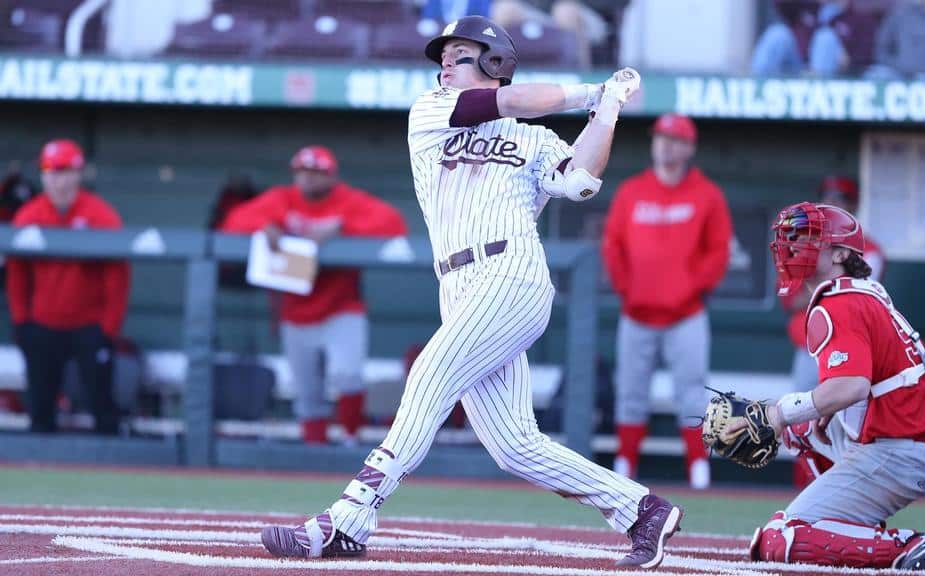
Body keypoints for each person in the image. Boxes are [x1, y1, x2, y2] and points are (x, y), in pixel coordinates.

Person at [260, 15, 683, 570]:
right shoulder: (430, 112)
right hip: (457, 285)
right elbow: (506, 105)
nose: (444, 65)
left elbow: (581, 181)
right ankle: (641, 510)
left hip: (511, 274)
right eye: (444, 57)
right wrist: (589, 90)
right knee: (514, 445)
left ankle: (349, 518)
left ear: (494, 63)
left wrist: (606, 110)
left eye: (458, 56)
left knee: (430, 377)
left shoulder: (533, 138)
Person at [745, 202, 925, 570]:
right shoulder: (860, 291)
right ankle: (853, 525)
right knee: (802, 431)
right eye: (793, 239)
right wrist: (799, 420)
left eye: (810, 239)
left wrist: (779, 412)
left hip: (902, 448)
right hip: (905, 437)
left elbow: (851, 387)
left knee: (781, 539)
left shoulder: (841, 300)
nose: (794, 247)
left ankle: (906, 546)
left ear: (842, 253)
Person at [222, 146, 407, 445]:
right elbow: (233, 223)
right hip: (295, 310)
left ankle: (350, 440)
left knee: (348, 376)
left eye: (315, 172)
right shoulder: (283, 199)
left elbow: (394, 224)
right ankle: (314, 455)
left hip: (341, 306)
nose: (306, 178)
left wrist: (343, 227)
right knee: (307, 392)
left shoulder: (346, 201)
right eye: (301, 171)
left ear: (331, 176)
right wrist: (264, 226)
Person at [601, 113, 732, 489]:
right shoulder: (631, 191)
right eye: (661, 138)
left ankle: (698, 470)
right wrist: (629, 288)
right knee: (630, 392)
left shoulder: (706, 194)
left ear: (689, 148)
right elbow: (613, 246)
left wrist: (688, 287)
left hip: (686, 313)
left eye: (675, 140)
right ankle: (625, 465)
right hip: (637, 313)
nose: (665, 145)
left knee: (691, 392)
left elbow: (718, 252)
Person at [6, 139, 130, 435]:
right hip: (43, 324)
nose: (57, 179)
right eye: (49, 171)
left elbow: (118, 278)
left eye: (63, 171)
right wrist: (22, 321)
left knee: (101, 404)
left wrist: (109, 328)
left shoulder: (101, 215)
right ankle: (37, 468)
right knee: (40, 407)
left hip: (90, 326)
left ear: (78, 173)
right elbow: (17, 275)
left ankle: (110, 469)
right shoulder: (29, 216)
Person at [780, 176, 884, 487]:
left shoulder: (869, 249)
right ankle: (805, 490)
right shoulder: (803, 244)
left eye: (840, 198)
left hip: (850, 346)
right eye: (828, 197)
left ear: (853, 205)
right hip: (807, 347)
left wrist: (813, 285)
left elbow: (848, 288)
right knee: (802, 424)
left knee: (846, 425)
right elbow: (790, 296)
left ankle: (842, 492)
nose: (833, 203)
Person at [490, 0, 610, 68]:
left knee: (565, 11)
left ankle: (584, 81)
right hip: (536, 13)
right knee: (504, 8)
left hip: (582, 14)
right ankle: (495, 75)